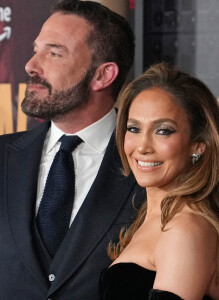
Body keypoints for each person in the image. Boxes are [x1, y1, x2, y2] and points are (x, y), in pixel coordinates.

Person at [0, 0, 144, 299]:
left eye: (54, 53)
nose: (30, 65)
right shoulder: (3, 155)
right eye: (35, 49)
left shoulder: (154, 165)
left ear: (102, 75)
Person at [100, 62, 219, 300]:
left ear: (198, 144)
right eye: (133, 128)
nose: (142, 146)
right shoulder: (154, 217)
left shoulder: (185, 228)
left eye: (163, 130)